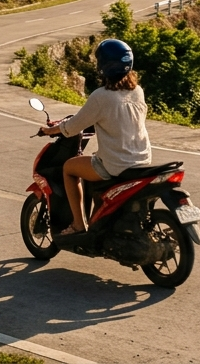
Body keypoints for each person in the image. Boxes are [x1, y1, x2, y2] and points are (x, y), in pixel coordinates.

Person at [39, 38, 152, 237]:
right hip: (142, 161)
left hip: (116, 165)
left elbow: (72, 127)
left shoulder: (101, 96)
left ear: (103, 66)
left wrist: (50, 130)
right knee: (91, 161)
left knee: (69, 168)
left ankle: (78, 224)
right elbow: (115, 117)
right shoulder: (137, 91)